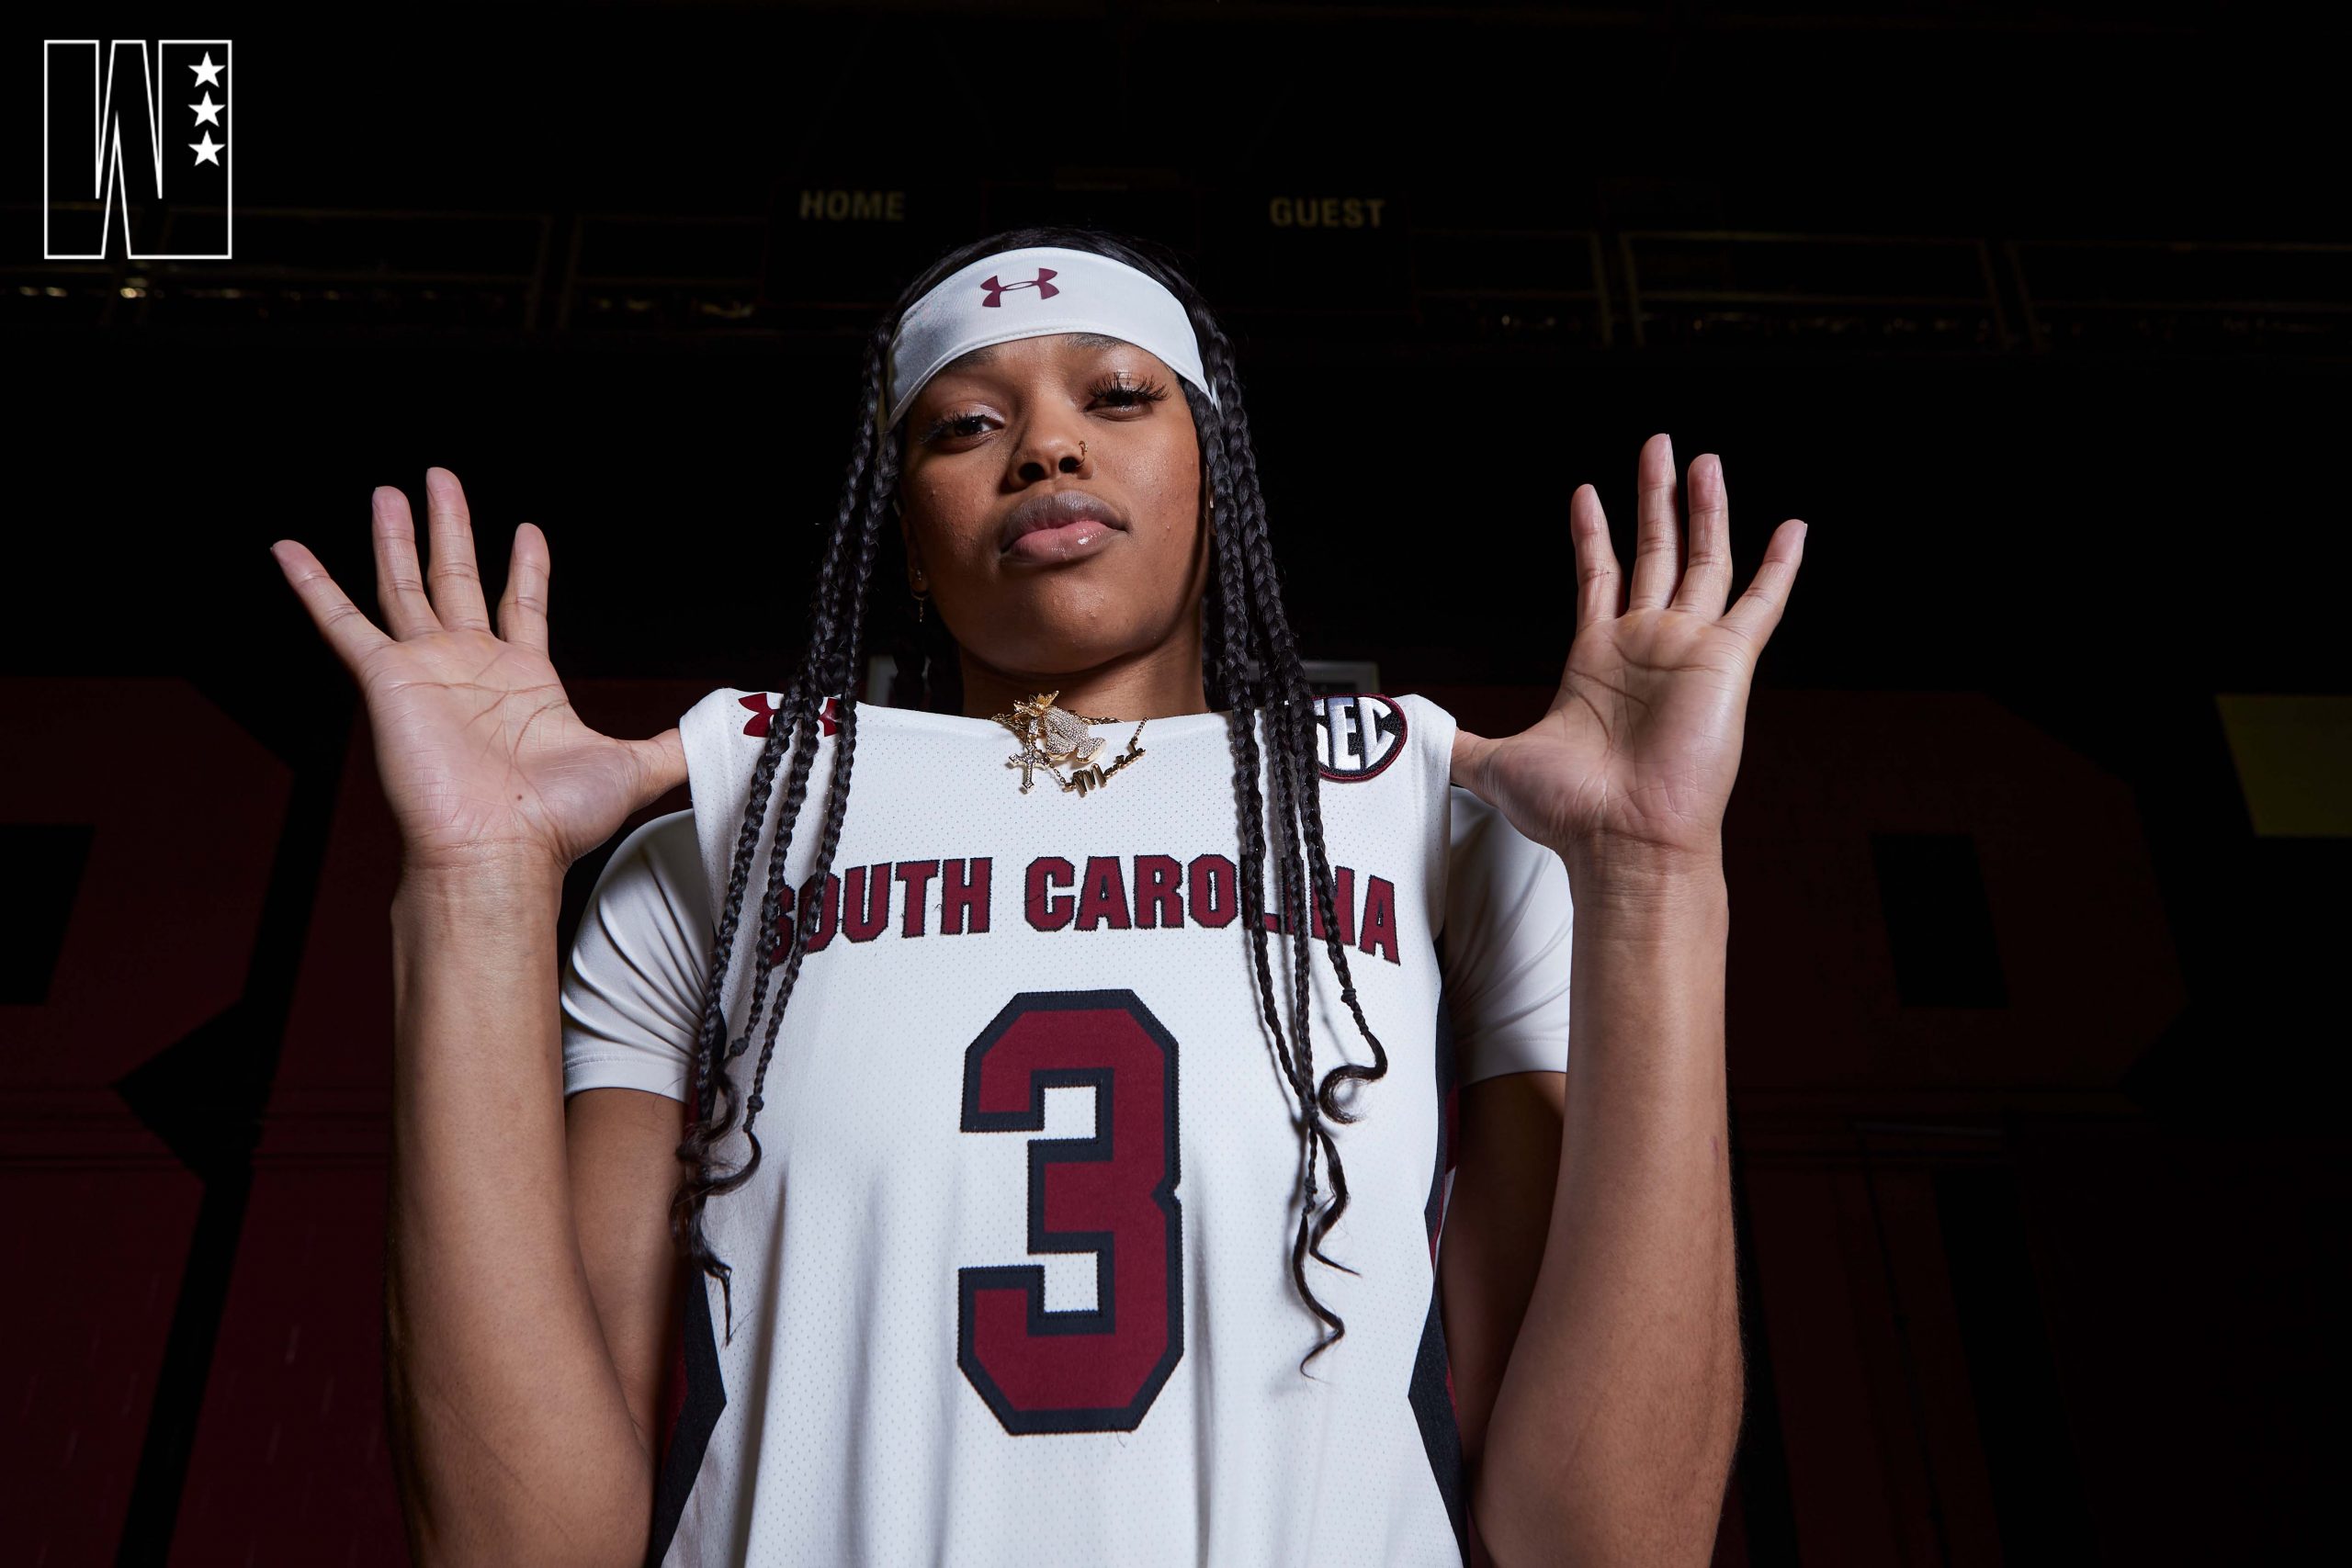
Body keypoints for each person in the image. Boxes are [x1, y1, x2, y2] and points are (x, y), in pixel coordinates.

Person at [268, 226, 1804, 1568]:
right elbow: (520, 1546)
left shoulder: (1438, 836)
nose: (1046, 448)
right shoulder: (723, 852)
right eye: (964, 426)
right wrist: (471, 887)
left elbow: (1611, 1540)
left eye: (1118, 397)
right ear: (912, 555)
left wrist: (1660, 881)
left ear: (1219, 482)